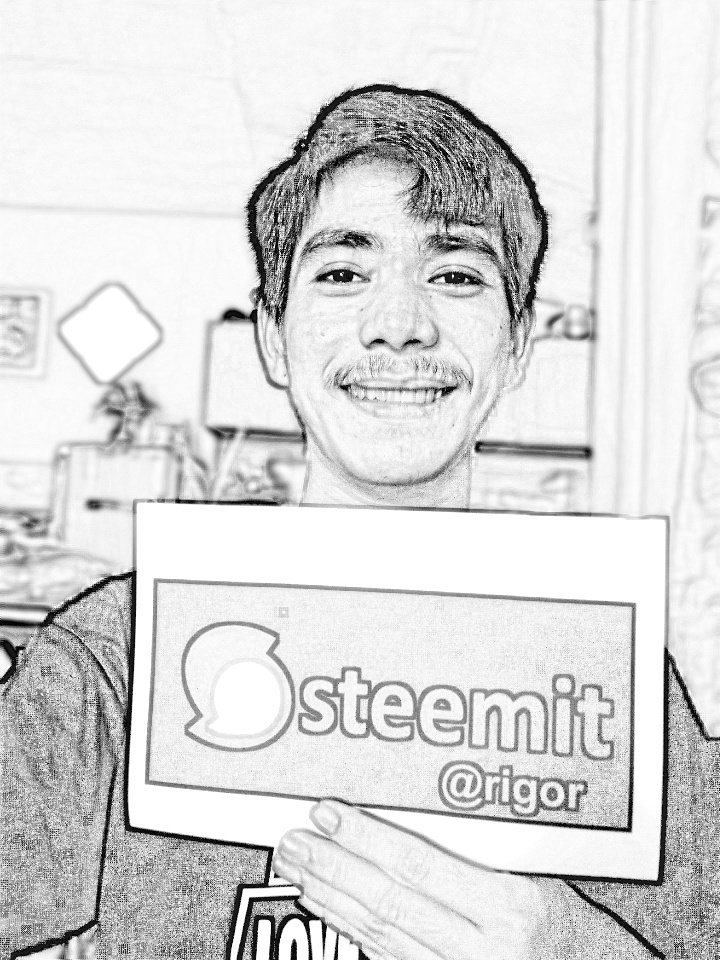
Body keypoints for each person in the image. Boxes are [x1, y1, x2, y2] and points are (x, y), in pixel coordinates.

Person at [1, 85, 717, 959]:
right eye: (342, 273)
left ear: (518, 344)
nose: (400, 326)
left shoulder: (610, 673)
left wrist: (577, 950)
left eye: (456, 275)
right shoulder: (115, 653)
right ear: (273, 336)